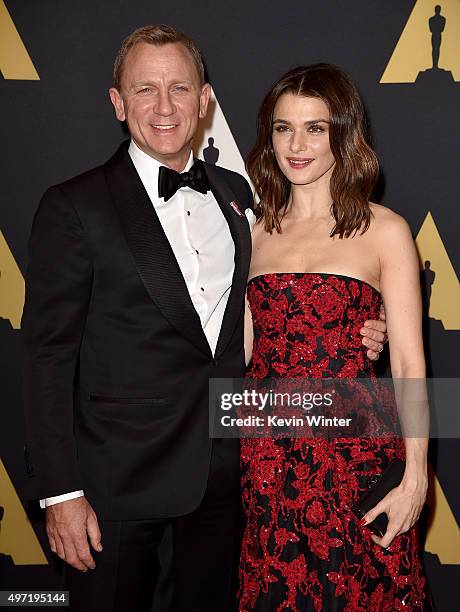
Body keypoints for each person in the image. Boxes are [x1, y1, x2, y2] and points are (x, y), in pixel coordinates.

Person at [21, 24, 387, 611]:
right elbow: (45, 359)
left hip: (232, 477)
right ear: (117, 103)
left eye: (179, 89)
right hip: (114, 490)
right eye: (145, 90)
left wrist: (362, 323)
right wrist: (59, 491)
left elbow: (277, 312)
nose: (164, 108)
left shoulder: (239, 200)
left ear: (206, 100)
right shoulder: (74, 207)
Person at [239, 64, 432, 610]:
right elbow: (246, 354)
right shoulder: (252, 234)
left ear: (342, 135)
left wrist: (416, 473)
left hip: (357, 457)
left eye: (315, 128)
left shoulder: (386, 229)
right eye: (282, 128)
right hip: (269, 462)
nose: (296, 145)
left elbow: (411, 364)